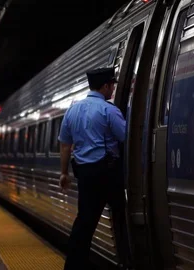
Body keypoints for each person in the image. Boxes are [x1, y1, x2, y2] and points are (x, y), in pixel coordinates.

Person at [58, 67, 129, 270]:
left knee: (84, 221)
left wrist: (64, 173)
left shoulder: (73, 109)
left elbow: (65, 144)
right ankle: (126, 259)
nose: (113, 90)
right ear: (105, 86)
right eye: (112, 86)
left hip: (84, 173)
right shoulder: (109, 110)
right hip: (107, 172)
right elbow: (126, 137)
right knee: (120, 214)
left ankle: (74, 266)